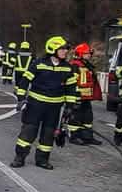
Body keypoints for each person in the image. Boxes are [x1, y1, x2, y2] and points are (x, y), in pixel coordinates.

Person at [11, 35, 76, 169]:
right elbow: (24, 81)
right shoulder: (38, 64)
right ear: (52, 49)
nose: (65, 51)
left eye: (66, 49)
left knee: (48, 134)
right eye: (62, 49)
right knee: (28, 131)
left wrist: (70, 107)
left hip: (54, 108)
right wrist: (21, 99)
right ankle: (20, 157)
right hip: (35, 105)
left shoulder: (68, 68)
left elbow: (71, 89)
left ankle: (42, 160)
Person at [66, 43, 103, 145]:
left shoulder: (86, 65)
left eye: (89, 53)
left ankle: (87, 137)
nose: (89, 55)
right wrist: (73, 96)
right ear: (80, 54)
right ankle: (74, 136)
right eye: (86, 53)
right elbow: (71, 82)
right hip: (77, 97)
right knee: (76, 118)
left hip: (86, 97)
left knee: (88, 117)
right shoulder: (75, 65)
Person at [13, 39, 34, 107]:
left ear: (21, 46)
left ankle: (18, 94)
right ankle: (24, 95)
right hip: (27, 72)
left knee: (18, 84)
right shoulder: (31, 54)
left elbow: (14, 61)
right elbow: (34, 64)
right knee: (25, 84)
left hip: (18, 71)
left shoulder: (17, 54)